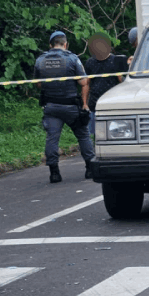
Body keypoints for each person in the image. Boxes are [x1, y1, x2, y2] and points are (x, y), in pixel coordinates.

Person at [34, 30, 95, 183]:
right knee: (83, 135)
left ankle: (54, 173)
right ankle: (90, 169)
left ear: (50, 45)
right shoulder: (72, 59)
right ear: (65, 44)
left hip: (51, 107)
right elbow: (83, 82)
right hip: (71, 107)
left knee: (52, 139)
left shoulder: (40, 60)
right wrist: (85, 104)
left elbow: (39, 84)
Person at [84, 32, 128, 134]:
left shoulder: (116, 60)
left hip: (112, 104)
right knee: (97, 135)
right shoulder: (90, 62)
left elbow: (124, 83)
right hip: (94, 104)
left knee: (115, 134)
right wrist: (85, 103)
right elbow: (87, 83)